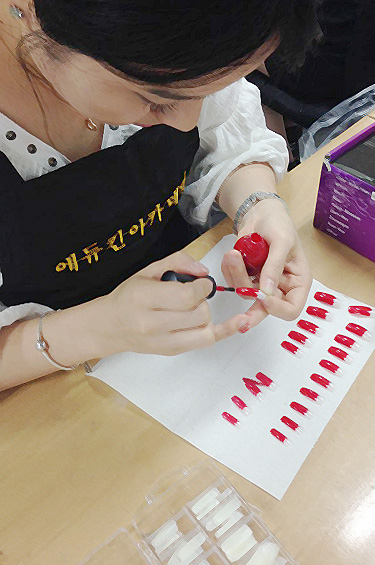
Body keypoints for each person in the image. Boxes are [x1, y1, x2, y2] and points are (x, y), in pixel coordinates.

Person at [0, 0, 317, 390]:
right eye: (155, 98)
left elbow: (224, 130)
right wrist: (97, 329)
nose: (186, 122)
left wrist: (256, 204)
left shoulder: (183, 35)